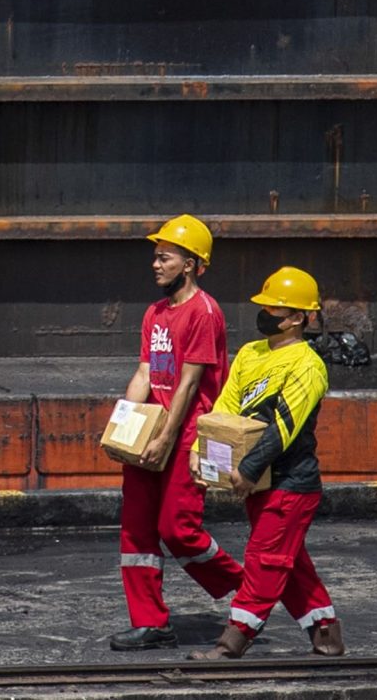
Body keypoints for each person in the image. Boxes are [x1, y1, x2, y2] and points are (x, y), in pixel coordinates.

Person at [106, 214, 246, 651]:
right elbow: (146, 372)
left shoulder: (204, 313)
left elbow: (188, 385)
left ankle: (248, 587)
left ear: (189, 264)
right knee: (137, 531)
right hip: (154, 431)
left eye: (164, 257)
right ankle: (151, 623)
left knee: (177, 528)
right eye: (155, 256)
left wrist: (166, 438)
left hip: (186, 437)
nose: (155, 264)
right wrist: (123, 426)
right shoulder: (155, 314)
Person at [194, 265, 344, 660]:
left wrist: (246, 469)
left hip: (291, 484)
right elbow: (225, 410)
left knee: (266, 560)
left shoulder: (308, 365)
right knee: (291, 563)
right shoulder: (250, 353)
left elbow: (284, 427)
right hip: (260, 483)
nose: (266, 314)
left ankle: (233, 642)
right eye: (265, 306)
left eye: (276, 308)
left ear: (298, 318)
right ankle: (327, 636)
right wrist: (205, 453)